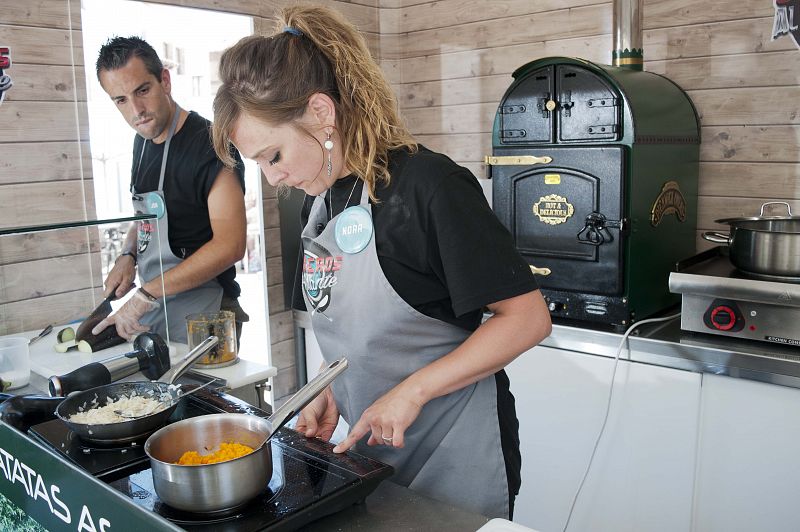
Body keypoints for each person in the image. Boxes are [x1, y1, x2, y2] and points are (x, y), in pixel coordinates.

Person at [211, 5, 552, 520]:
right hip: (374, 450)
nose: (271, 179)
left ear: (321, 113)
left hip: (456, 451)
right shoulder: (323, 201)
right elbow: (357, 323)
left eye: (272, 156)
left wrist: (413, 392)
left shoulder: (430, 187)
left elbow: (527, 320)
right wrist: (329, 386)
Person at [93, 37, 248, 344]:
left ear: (164, 80)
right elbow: (148, 217)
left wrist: (146, 293)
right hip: (156, 308)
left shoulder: (211, 145)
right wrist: (128, 255)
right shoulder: (142, 143)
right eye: (121, 100)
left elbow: (231, 245)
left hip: (208, 314)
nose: (137, 109)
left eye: (142, 90)